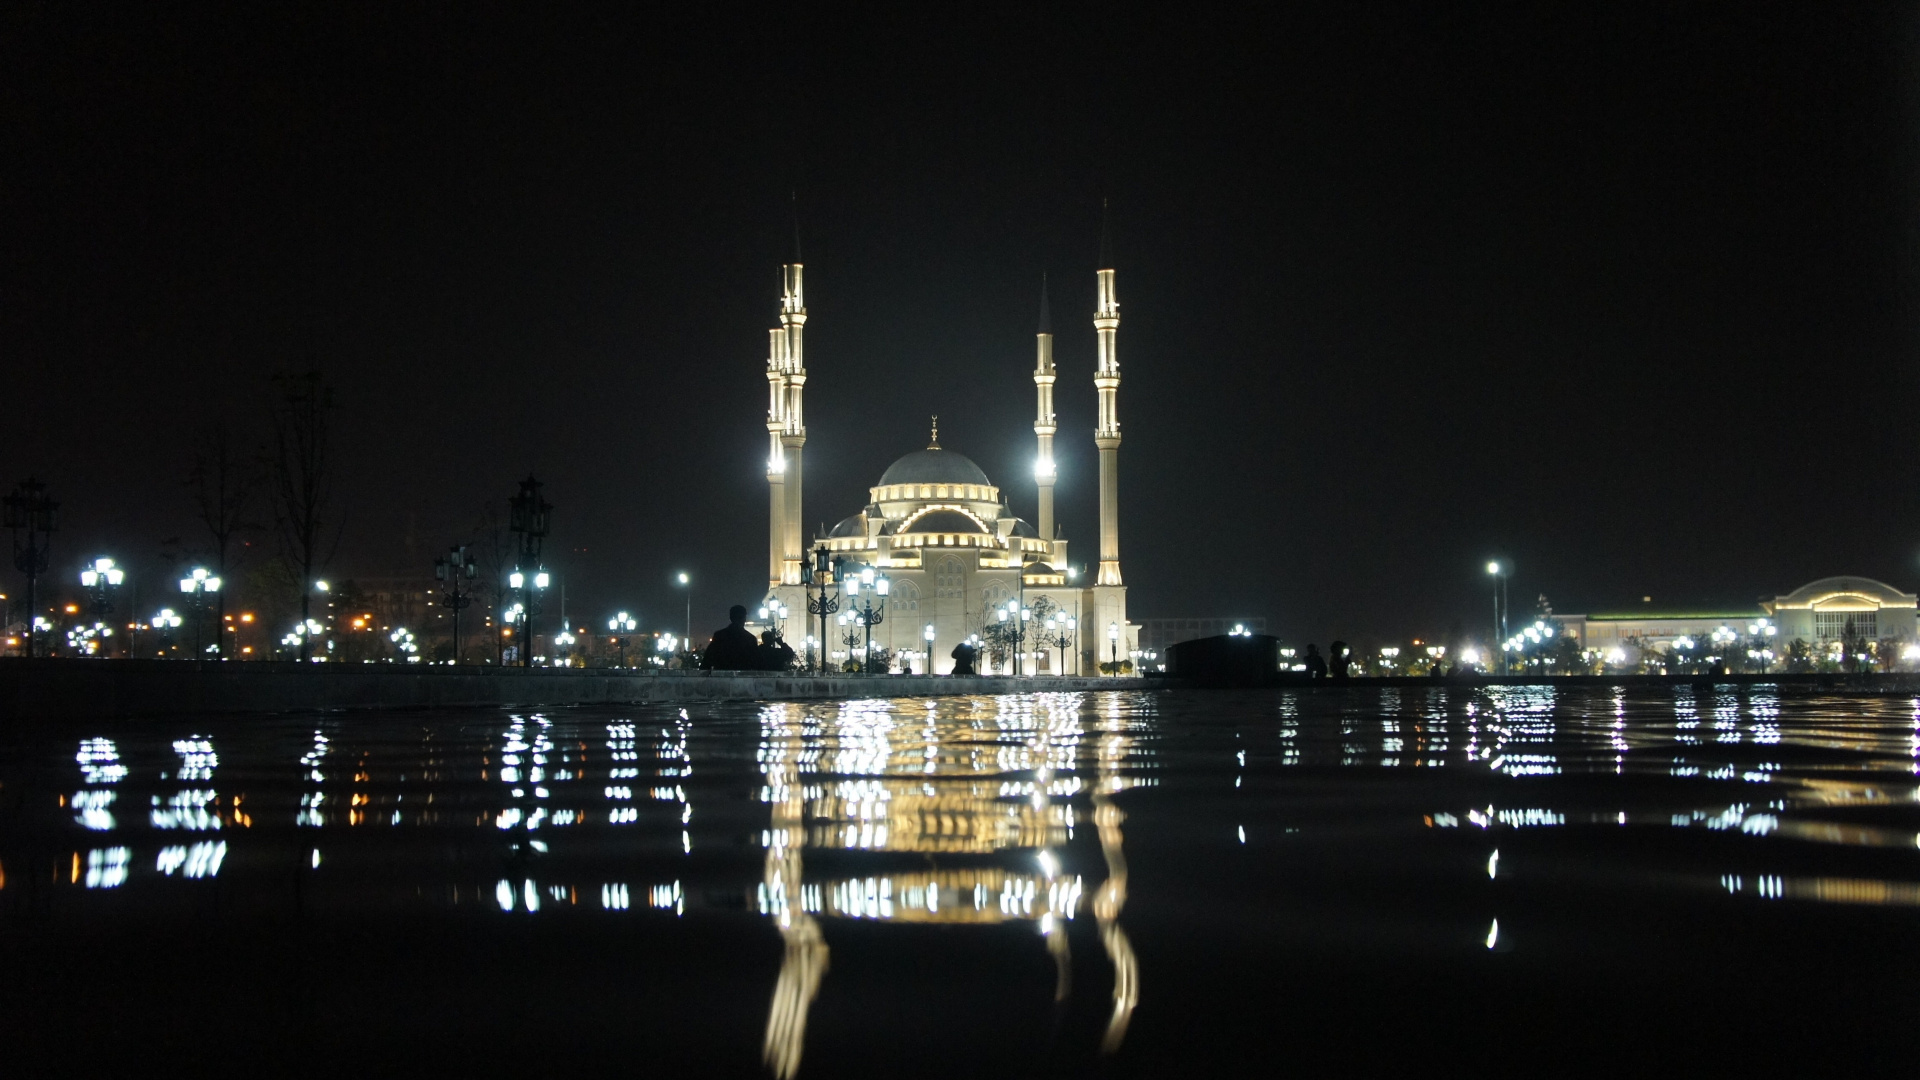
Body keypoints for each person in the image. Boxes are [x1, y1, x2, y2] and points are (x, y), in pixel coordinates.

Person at [700, 605, 760, 671]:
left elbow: (708, 660)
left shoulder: (719, 636)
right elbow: (756, 663)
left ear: (731, 618)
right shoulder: (750, 639)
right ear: (744, 618)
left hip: (722, 676)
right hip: (743, 678)